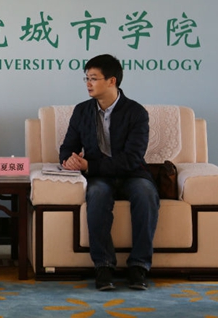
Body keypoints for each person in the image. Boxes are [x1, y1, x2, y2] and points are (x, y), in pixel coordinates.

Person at [59, 54, 159, 291]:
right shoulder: (82, 111)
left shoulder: (136, 112)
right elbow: (67, 147)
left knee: (146, 193)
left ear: (112, 81)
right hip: (99, 178)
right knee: (97, 194)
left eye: (94, 78)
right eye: (86, 78)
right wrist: (69, 160)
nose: (88, 83)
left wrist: (89, 166)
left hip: (132, 174)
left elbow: (132, 158)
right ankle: (103, 266)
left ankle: (139, 266)